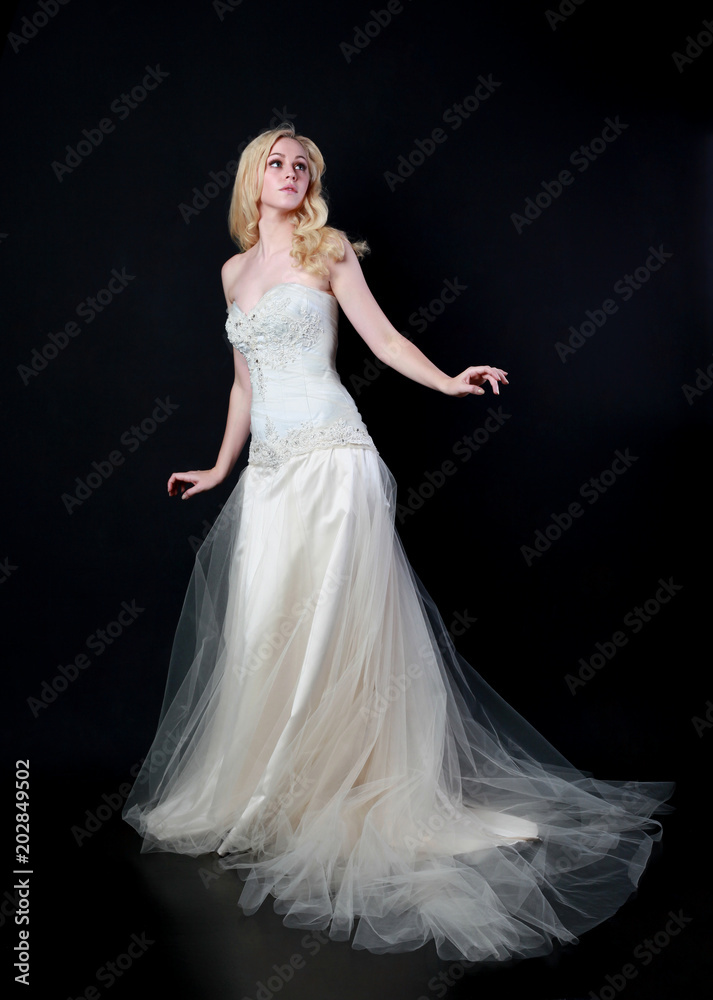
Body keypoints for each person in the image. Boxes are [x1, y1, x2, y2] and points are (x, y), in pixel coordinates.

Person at [123, 122, 673, 962]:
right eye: (274, 162)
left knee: (339, 627)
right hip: (268, 474)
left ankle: (360, 790)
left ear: (313, 182)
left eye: (302, 163)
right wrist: (216, 465)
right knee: (265, 629)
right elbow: (241, 383)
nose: (289, 171)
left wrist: (448, 379)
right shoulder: (232, 272)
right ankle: (275, 789)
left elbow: (379, 340)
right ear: (250, 179)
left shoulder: (330, 250)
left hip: (335, 459)